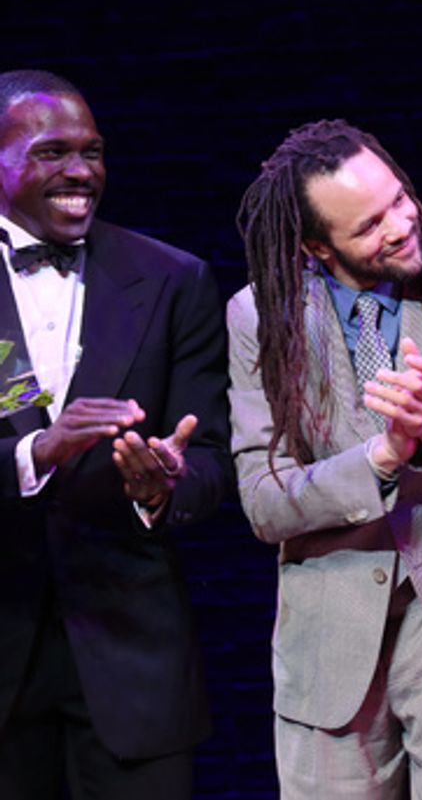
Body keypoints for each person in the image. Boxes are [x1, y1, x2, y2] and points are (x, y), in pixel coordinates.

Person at [229, 119, 422, 798]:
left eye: (400, 200)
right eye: (368, 226)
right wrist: (380, 456)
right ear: (317, 247)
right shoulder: (261, 314)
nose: (401, 226)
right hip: (329, 639)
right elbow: (263, 497)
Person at [0, 69, 234, 797]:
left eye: (93, 151)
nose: (80, 171)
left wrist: (164, 483)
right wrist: (36, 451)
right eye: (51, 151)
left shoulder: (171, 278)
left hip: (132, 661)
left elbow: (213, 459)